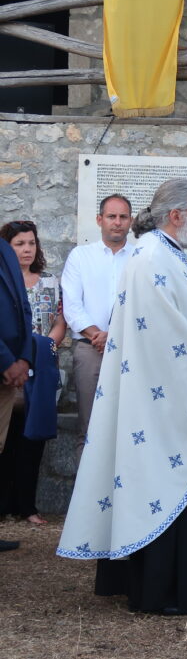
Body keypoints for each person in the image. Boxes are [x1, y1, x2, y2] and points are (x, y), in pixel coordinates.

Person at [57, 179, 187, 615]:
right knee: (159, 481)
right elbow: (167, 335)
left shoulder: (169, 255)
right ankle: (162, 588)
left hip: (166, 398)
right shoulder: (153, 257)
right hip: (160, 403)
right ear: (175, 216)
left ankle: (173, 582)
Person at [61, 194, 134, 467]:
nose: (117, 222)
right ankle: (86, 506)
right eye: (111, 216)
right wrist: (98, 335)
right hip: (90, 350)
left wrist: (115, 336)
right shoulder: (81, 257)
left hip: (130, 349)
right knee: (89, 426)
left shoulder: (139, 258)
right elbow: (72, 307)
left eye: (123, 217)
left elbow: (143, 306)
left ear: (131, 221)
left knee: (129, 426)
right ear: (99, 220)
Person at [0, 221, 66, 525]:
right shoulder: (5, 283)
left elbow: (60, 321)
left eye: (31, 243)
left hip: (40, 368)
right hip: (9, 368)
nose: (27, 249)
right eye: (19, 244)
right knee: (7, 436)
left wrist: (41, 349)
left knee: (32, 437)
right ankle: (4, 504)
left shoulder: (51, 282)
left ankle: (27, 505)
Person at [0, 236, 33, 552]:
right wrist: (8, 361)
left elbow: (23, 307)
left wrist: (24, 357)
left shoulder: (6, 253)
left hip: (9, 369)